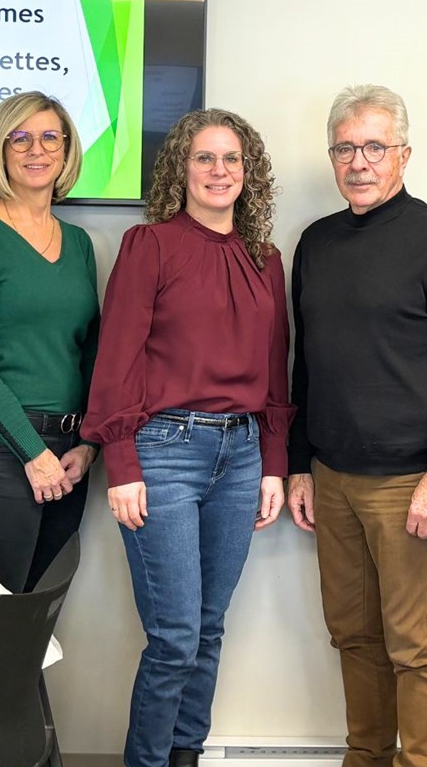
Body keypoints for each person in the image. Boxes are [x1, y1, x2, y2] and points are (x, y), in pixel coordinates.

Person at [82, 108, 293, 767]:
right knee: (174, 634)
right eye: (205, 158)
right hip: (162, 454)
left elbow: (275, 366)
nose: (219, 171)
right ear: (182, 169)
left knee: (207, 631)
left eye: (231, 159)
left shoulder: (265, 260)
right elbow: (116, 357)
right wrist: (121, 463)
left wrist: (274, 465)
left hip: (242, 456)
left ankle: (185, 757)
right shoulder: (150, 246)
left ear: (248, 172)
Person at [285, 85, 427, 767]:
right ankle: (364, 757)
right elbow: (303, 364)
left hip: (408, 479)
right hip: (332, 479)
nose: (359, 162)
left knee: (413, 645)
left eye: (375, 147)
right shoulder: (315, 243)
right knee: (351, 634)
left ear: (404, 154)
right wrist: (297, 464)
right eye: (345, 148)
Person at [0, 91, 99, 592]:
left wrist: (90, 443)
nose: (37, 149)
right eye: (20, 138)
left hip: (70, 456)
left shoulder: (78, 243)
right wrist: (32, 451)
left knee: (33, 627)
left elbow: (89, 352)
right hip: (2, 454)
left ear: (67, 149)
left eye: (50, 136)